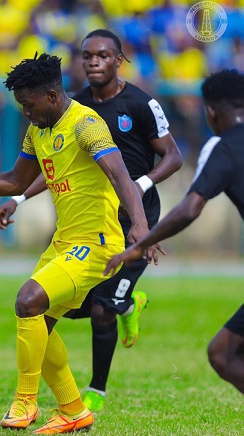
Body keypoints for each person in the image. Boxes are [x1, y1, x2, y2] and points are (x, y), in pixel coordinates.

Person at [0, 52, 151, 433]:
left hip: (97, 243)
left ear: (51, 96)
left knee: (27, 300)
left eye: (28, 106)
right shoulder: (39, 130)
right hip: (64, 242)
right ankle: (74, 411)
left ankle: (25, 400)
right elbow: (15, 180)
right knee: (39, 323)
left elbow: (121, 177)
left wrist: (140, 227)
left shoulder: (86, 124)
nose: (25, 113)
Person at [0, 28, 183, 410]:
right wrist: (19, 197)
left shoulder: (142, 103)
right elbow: (55, 167)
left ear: (119, 59)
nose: (93, 61)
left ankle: (95, 390)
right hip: (90, 214)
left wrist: (141, 201)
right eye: (87, 55)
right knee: (66, 308)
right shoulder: (66, 106)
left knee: (100, 308)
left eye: (102, 55)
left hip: (134, 209)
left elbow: (172, 157)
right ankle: (126, 307)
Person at [103, 68, 244, 395]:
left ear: (211, 112)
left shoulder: (221, 146)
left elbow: (189, 208)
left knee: (223, 354)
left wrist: (141, 243)